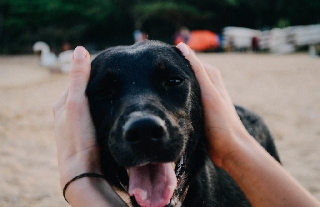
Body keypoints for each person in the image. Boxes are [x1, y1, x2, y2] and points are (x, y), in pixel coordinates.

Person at [53, 44, 320, 207]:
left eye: (173, 82)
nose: (143, 122)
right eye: (103, 93)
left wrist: (81, 186)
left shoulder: (255, 129)